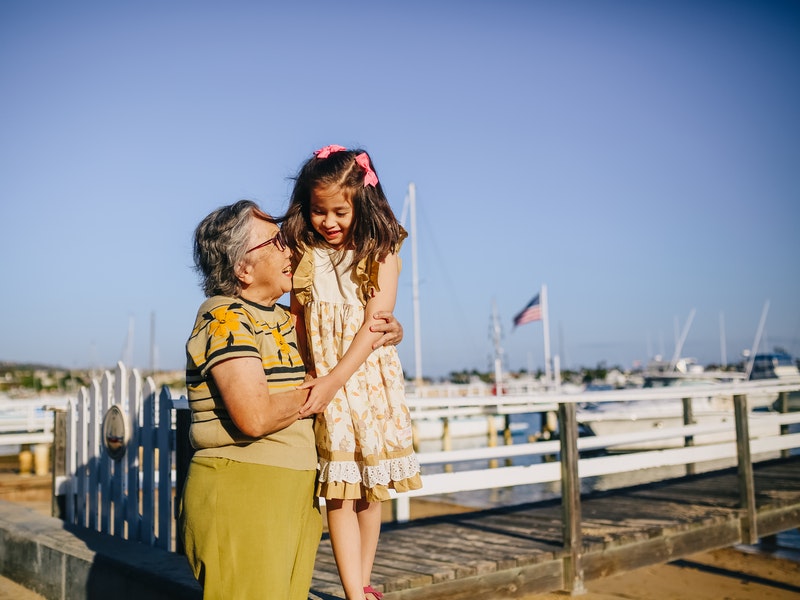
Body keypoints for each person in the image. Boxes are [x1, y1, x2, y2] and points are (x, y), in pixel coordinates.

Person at [179, 199, 404, 600]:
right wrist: (321, 387)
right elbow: (255, 415)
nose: (290, 249)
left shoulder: (283, 319)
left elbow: (343, 334)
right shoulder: (225, 317)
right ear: (242, 268)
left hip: (291, 494)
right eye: (276, 241)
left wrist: (385, 333)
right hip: (244, 492)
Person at [283, 145, 423, 600]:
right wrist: (307, 373)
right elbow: (299, 319)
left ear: (361, 202)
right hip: (323, 380)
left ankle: (361, 583)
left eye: (339, 211)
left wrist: (333, 379)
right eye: (319, 211)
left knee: (369, 488)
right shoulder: (305, 253)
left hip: (364, 381)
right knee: (339, 491)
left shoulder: (381, 252)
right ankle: (352, 591)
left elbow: (375, 324)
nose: (329, 222)